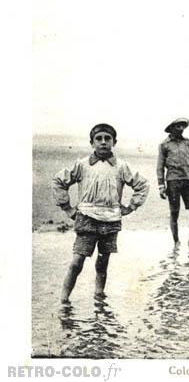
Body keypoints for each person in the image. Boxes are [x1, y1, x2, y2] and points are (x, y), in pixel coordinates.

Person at [52, 124, 149, 303]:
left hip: (111, 220)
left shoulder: (121, 166)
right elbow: (59, 180)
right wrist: (67, 208)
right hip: (86, 218)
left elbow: (142, 184)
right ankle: (63, 300)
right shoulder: (82, 165)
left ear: (114, 142)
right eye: (99, 138)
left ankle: (99, 296)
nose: (103, 142)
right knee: (76, 262)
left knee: (103, 263)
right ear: (92, 143)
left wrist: (131, 206)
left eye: (107, 139)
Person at [157, 117, 189, 247]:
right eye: (178, 126)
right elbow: (160, 166)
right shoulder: (164, 145)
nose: (181, 129)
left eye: (183, 126)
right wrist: (161, 185)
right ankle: (176, 241)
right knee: (174, 212)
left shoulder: (188, 142)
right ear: (171, 128)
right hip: (173, 181)